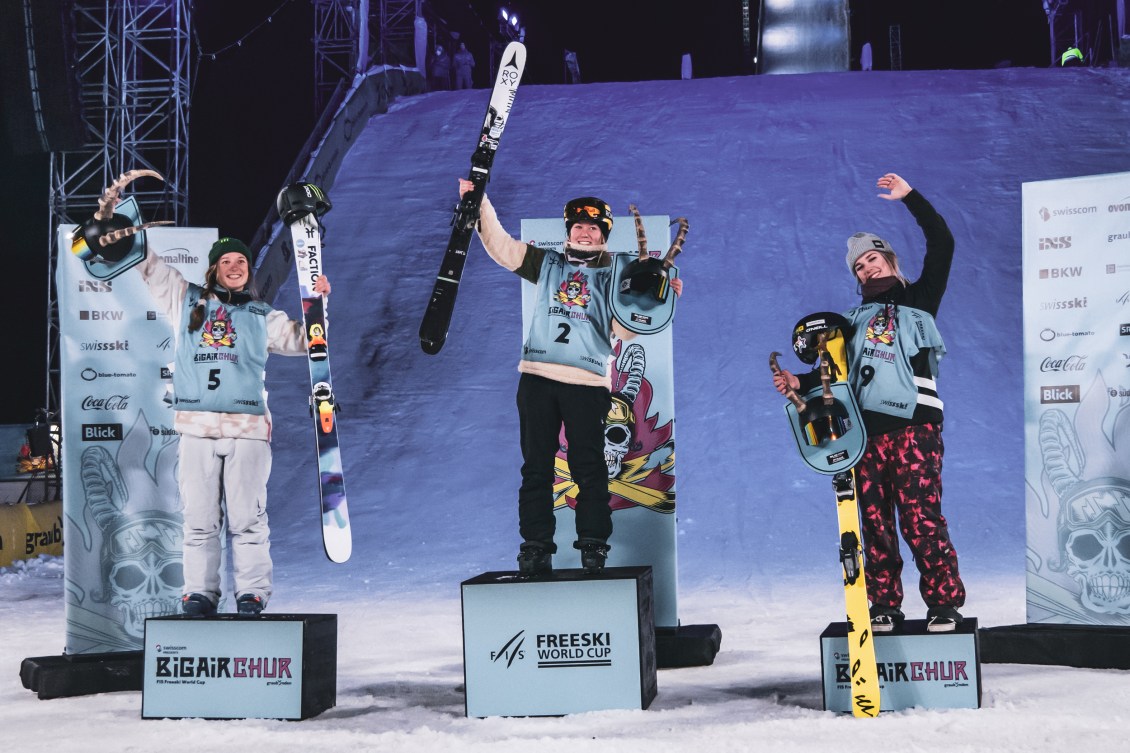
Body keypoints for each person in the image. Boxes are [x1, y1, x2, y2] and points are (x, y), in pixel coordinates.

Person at [772, 172, 966, 633]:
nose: (868, 268)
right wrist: (796, 383)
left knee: (921, 518)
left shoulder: (919, 299)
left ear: (891, 261)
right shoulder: (845, 323)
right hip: (863, 435)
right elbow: (834, 376)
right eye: (859, 267)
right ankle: (883, 606)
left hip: (915, 427)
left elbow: (943, 243)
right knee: (874, 524)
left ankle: (943, 605)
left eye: (874, 259)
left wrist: (910, 197)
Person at [459, 179, 681, 576]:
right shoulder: (546, 262)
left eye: (593, 227)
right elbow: (501, 246)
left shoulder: (618, 270)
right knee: (537, 468)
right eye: (578, 225)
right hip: (538, 377)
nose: (584, 230)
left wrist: (661, 297)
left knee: (589, 467)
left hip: (588, 381)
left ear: (604, 234)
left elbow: (626, 329)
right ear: (568, 230)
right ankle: (535, 547)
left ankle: (594, 545)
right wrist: (480, 201)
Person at [138, 236, 330, 616]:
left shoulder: (262, 315)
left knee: (248, 519)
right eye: (225, 260)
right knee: (199, 520)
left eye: (240, 260)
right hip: (197, 429)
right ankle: (200, 593)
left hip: (248, 431)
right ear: (213, 269)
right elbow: (153, 269)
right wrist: (126, 236)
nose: (234, 266)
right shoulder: (186, 300)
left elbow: (304, 341)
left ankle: (252, 593)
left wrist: (319, 304)